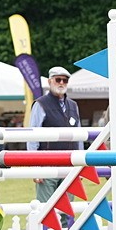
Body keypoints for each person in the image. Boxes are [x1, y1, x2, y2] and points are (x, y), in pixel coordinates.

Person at [26, 67, 83, 204]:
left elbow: (79, 137)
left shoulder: (73, 106)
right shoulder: (40, 104)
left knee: (67, 211)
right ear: (50, 81)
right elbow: (32, 137)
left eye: (65, 80)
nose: (61, 83)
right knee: (45, 209)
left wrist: (80, 164)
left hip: (70, 164)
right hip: (46, 164)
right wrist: (35, 167)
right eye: (58, 79)